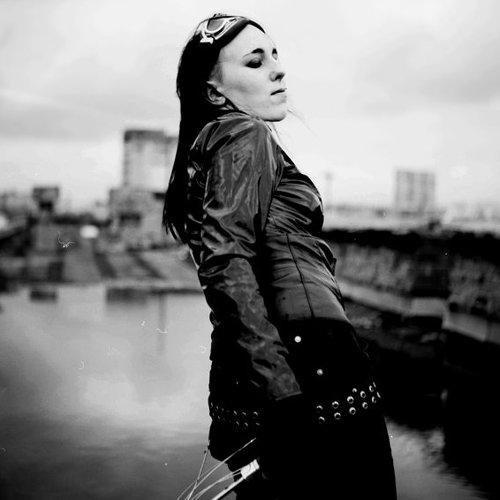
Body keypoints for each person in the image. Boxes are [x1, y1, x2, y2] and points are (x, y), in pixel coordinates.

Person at [163, 13, 397, 499]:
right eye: (254, 62)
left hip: (259, 373)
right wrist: (283, 394)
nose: (277, 69)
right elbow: (225, 261)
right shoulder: (244, 134)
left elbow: (228, 257)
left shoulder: (213, 146)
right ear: (214, 92)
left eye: (275, 55)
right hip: (309, 369)